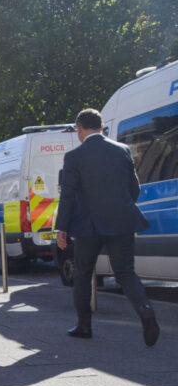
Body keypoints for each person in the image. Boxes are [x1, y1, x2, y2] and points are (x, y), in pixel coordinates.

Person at [55, 108, 158, 346]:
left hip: (87, 227)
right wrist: (120, 209)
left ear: (79, 129)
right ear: (102, 127)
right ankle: (145, 310)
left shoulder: (74, 157)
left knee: (82, 273)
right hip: (121, 222)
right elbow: (135, 188)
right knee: (125, 272)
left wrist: (62, 229)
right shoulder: (122, 150)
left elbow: (68, 196)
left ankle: (83, 325)